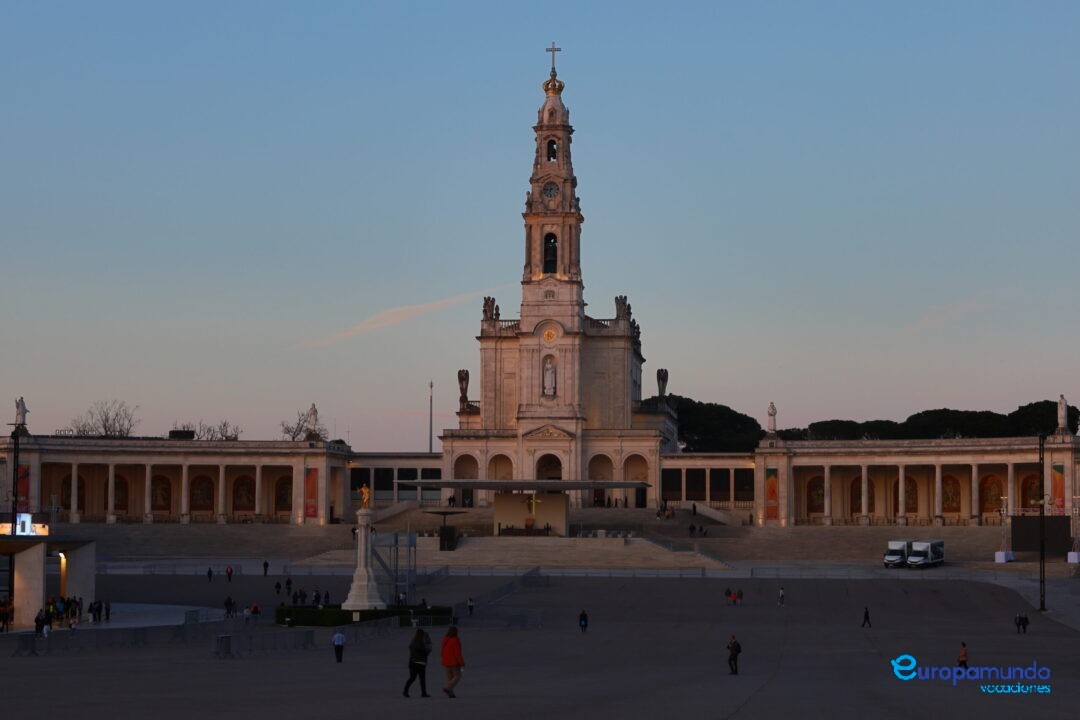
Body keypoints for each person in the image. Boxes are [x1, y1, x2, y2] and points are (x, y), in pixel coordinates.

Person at [403, 628, 432, 697]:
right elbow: (424, 652)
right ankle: (423, 693)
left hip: (412, 662)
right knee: (422, 679)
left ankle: (405, 691)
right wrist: (428, 649)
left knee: (412, 678)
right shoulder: (420, 643)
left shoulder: (413, 642)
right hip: (420, 663)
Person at [441, 626, 465, 698]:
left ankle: (451, 694)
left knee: (450, 678)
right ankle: (448, 688)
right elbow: (458, 653)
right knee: (457, 676)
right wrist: (462, 663)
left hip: (446, 662)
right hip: (454, 662)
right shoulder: (455, 640)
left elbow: (442, 651)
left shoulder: (445, 639)